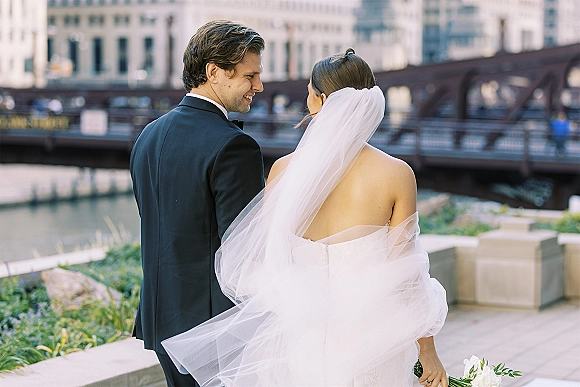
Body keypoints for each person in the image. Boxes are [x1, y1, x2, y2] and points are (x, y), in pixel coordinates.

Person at [162, 49, 448, 387]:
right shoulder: (396, 175)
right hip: (372, 339)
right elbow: (407, 274)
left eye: (309, 93)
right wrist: (427, 350)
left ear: (321, 101)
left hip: (300, 339)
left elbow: (267, 262)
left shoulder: (284, 172)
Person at [129, 20, 265, 387]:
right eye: (250, 76)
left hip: (162, 317)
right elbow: (244, 249)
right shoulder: (235, 146)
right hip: (214, 329)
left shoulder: (148, 136)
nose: (259, 86)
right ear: (214, 72)